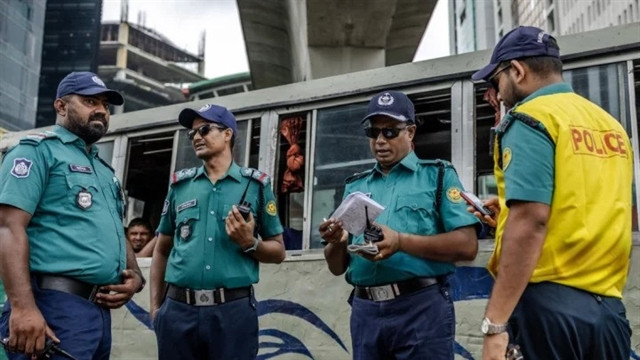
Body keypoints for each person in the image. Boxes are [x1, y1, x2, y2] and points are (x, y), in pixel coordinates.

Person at [471, 26, 632, 360]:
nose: (497, 93)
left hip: (549, 311)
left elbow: (531, 221)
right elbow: (589, 204)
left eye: (496, 81)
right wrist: (507, 213)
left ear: (517, 70)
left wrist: (495, 326)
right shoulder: (611, 127)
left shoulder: (530, 118)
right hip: (608, 314)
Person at [320, 90, 480, 360]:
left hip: (421, 307)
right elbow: (337, 267)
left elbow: (467, 246)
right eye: (373, 132)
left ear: (411, 132)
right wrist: (338, 242)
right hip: (366, 310)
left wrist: (402, 242)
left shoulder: (437, 175)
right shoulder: (355, 187)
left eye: (391, 131)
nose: (380, 140)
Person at [0, 72, 145, 359]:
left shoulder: (104, 171)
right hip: (51, 305)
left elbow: (116, 228)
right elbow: (7, 227)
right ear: (61, 106)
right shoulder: (36, 152)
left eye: (105, 105)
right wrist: (23, 308)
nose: (101, 110)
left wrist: (136, 277)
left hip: (98, 312)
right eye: (90, 101)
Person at [149, 103, 286, 360]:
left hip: (233, 312)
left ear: (227, 134)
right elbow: (162, 248)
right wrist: (156, 308)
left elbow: (278, 251)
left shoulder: (255, 185)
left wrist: (250, 243)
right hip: (178, 312)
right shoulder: (181, 185)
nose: (196, 137)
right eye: (193, 134)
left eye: (204, 130)